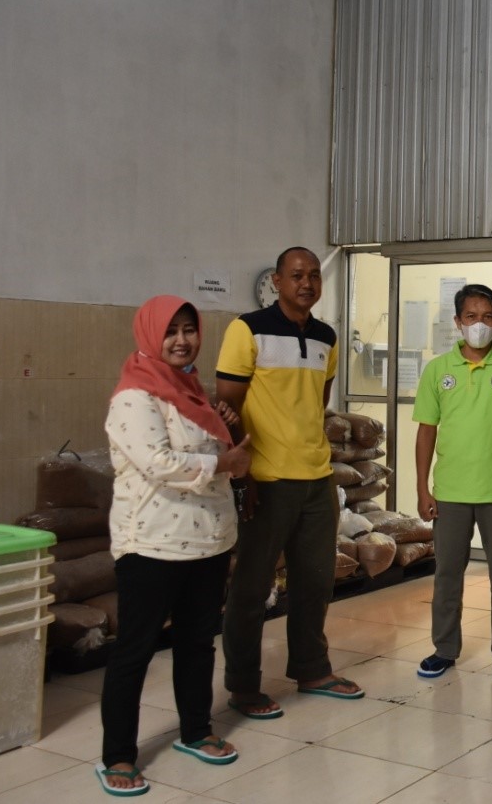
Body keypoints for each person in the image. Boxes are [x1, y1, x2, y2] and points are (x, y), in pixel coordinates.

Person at [97, 296, 253, 796]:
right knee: (135, 650)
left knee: (197, 642)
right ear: (149, 335)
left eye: (189, 329)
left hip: (206, 539)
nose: (182, 340)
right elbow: (159, 463)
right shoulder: (134, 397)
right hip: (152, 544)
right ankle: (118, 755)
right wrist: (223, 463)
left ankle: (196, 731)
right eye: (170, 331)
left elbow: (219, 454)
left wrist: (224, 430)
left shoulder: (192, 391)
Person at [216, 246, 363, 720]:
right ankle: (243, 686)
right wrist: (244, 477)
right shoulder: (247, 329)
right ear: (277, 281)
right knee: (251, 587)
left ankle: (312, 669)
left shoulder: (326, 337)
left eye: (314, 275)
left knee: (315, 582)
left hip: (316, 477)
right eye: (297, 275)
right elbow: (227, 408)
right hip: (267, 478)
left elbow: (316, 403)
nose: (307, 283)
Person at [413, 283, 492, 681]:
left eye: (487, 317)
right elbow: (426, 431)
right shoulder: (438, 370)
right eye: (471, 316)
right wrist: (422, 488)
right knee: (447, 576)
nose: (479, 324)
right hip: (450, 493)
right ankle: (444, 649)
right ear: (457, 321)